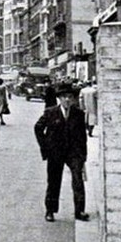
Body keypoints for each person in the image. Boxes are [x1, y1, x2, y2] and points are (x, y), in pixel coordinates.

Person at [34, 82, 89, 222]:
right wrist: (45, 148)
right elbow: (38, 128)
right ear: (59, 98)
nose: (67, 100)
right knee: (53, 181)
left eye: (70, 97)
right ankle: (50, 210)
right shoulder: (50, 112)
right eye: (64, 97)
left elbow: (82, 136)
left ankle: (80, 210)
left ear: (74, 99)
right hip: (55, 153)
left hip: (74, 153)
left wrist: (83, 155)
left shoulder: (79, 114)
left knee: (78, 180)